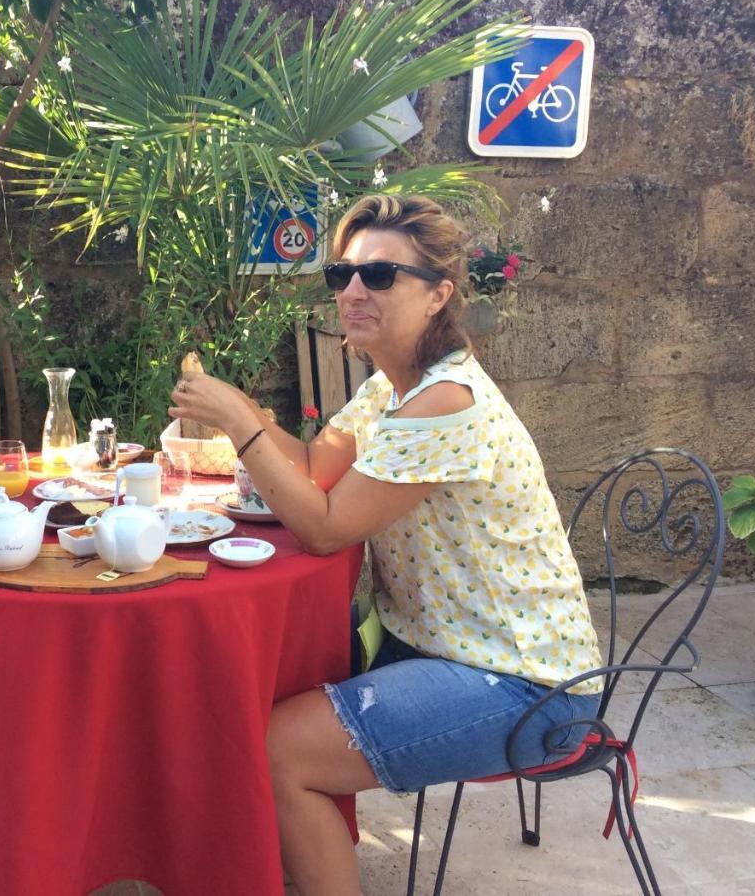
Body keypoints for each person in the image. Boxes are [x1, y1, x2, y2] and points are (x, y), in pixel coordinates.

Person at [169, 194, 604, 896]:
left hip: (525, 684)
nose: (351, 292)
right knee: (255, 690)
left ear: (438, 295)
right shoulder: (393, 388)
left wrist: (237, 424)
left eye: (379, 277)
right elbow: (315, 469)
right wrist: (245, 413)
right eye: (341, 274)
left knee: (281, 750)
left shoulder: (445, 401)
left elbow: (323, 526)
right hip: (441, 648)